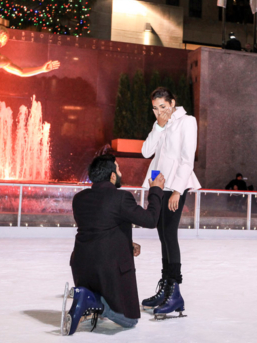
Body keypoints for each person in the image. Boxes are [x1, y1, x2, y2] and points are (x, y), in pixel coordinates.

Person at [62, 154, 165, 335]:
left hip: (82, 266)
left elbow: (99, 227)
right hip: (107, 268)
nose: (120, 172)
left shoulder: (79, 199)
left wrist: (126, 242)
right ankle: (93, 302)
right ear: (111, 176)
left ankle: (87, 300)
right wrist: (156, 190)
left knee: (105, 300)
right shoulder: (120, 198)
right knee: (130, 320)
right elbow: (150, 220)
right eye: (118, 169)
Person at [141, 87, 201, 319]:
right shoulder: (161, 124)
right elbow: (147, 152)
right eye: (155, 108)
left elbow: (187, 159)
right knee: (162, 236)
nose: (159, 112)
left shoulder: (187, 122)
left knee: (170, 235)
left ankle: (174, 292)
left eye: (163, 107)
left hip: (175, 186)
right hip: (158, 185)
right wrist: (159, 125)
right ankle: (166, 287)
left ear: (173, 103)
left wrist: (177, 190)